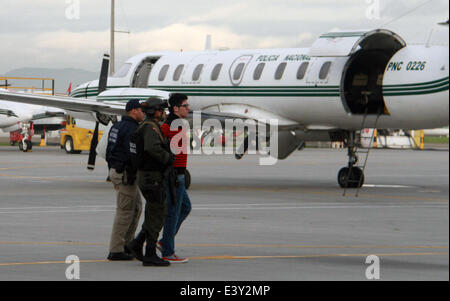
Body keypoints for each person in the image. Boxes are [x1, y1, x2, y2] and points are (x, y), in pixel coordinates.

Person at [126, 98, 174, 267]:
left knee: (155, 213)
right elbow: (152, 148)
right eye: (161, 110)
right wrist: (169, 158)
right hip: (151, 177)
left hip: (149, 177)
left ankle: (138, 244)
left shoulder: (149, 126)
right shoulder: (150, 128)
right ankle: (150, 253)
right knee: (157, 213)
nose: (163, 113)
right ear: (154, 111)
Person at [106, 99, 145, 261]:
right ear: (134, 111)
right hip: (125, 173)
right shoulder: (132, 129)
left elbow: (109, 151)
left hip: (117, 170)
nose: (143, 113)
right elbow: (133, 154)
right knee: (125, 211)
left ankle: (127, 245)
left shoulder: (116, 127)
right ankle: (116, 249)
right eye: (141, 110)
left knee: (136, 208)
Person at [158, 93, 192, 263]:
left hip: (178, 175)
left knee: (185, 207)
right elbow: (160, 144)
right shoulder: (169, 124)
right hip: (173, 175)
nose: (188, 108)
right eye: (185, 106)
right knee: (173, 212)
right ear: (176, 108)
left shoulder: (177, 124)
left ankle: (164, 241)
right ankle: (167, 250)